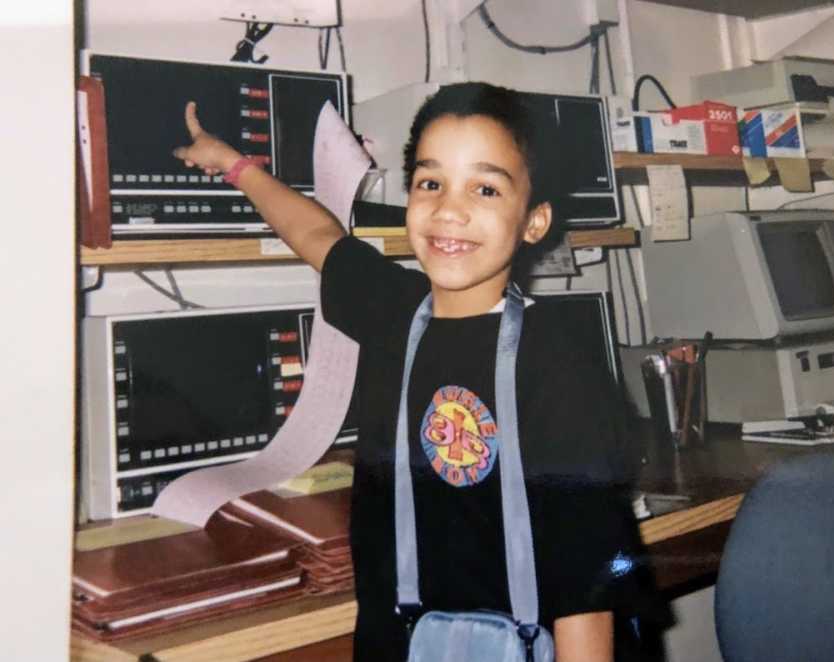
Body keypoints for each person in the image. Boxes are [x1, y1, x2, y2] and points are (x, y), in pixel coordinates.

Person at [174, 82, 661, 662]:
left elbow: (587, 598)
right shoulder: (393, 309)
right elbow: (318, 236)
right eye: (431, 183)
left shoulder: (557, 367)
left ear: (534, 221)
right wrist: (231, 163)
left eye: (485, 188)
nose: (449, 210)